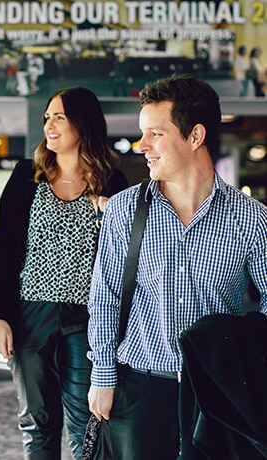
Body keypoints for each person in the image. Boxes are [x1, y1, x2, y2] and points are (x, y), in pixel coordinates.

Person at [87, 74, 267, 459]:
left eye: (155, 133)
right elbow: (105, 297)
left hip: (217, 397)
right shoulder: (124, 209)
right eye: (142, 133)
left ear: (195, 136)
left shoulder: (251, 218)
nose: (143, 145)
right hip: (139, 389)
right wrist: (102, 376)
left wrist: (242, 362)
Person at [0, 86, 128, 459]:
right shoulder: (26, 177)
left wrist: (111, 211)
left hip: (87, 317)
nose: (49, 125)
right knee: (37, 419)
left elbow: (128, 255)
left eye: (59, 117)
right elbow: (3, 251)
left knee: (87, 419)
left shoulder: (112, 184)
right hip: (29, 312)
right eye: (47, 117)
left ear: (83, 123)